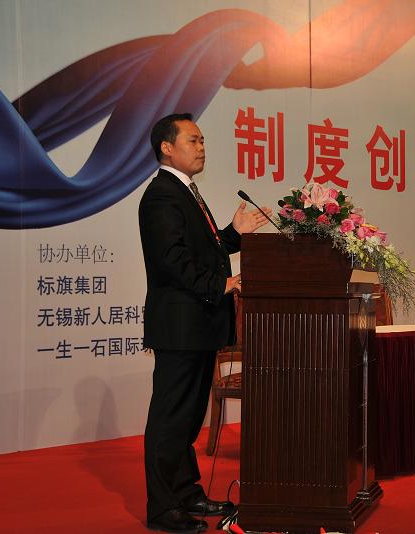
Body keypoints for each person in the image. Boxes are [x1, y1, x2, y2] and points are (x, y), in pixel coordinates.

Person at [139, 113, 270, 533]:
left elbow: (202, 250)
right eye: (193, 140)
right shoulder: (162, 195)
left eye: (202, 140)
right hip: (179, 325)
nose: (201, 147)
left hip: (196, 324)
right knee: (170, 417)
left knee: (189, 416)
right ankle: (164, 508)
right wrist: (222, 283)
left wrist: (233, 233)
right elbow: (171, 259)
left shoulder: (185, 192)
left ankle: (187, 493)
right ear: (167, 147)